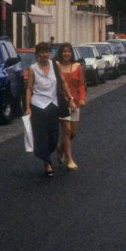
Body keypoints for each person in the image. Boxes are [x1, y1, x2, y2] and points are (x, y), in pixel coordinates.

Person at [24, 41, 74, 178]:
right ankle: (47, 163)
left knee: (53, 135)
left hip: (53, 104)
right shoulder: (33, 69)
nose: (45, 55)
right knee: (42, 136)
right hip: (38, 105)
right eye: (42, 52)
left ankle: (53, 150)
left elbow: (62, 82)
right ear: (37, 54)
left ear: (49, 53)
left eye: (47, 52)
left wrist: (70, 97)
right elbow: (29, 88)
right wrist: (28, 107)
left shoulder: (55, 65)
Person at [53, 42, 86, 170]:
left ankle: (61, 147)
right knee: (66, 131)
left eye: (69, 51)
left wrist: (82, 98)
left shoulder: (77, 66)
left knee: (73, 132)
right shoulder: (57, 67)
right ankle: (69, 159)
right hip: (62, 103)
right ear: (60, 53)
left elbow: (82, 84)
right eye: (64, 51)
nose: (66, 54)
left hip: (75, 103)